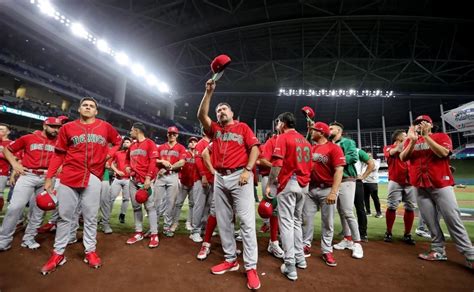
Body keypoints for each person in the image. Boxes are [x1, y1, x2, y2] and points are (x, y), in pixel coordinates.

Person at [41, 97, 122, 275]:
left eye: (91, 106)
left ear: (96, 111)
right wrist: (49, 177)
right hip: (69, 174)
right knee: (64, 216)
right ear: (79, 109)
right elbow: (59, 154)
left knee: (91, 216)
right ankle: (58, 253)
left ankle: (90, 251)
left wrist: (109, 154)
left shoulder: (105, 127)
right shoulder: (67, 128)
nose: (88, 107)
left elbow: (118, 141)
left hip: (93, 175)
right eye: (85, 105)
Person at [197, 79, 261, 290]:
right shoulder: (215, 130)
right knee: (224, 221)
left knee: (246, 222)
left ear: (232, 113)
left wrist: (248, 170)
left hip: (239, 176)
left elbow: (255, 149)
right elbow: (201, 115)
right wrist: (209, 93)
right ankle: (231, 259)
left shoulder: (242, 127)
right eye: (218, 110)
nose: (221, 111)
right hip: (220, 177)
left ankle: (250, 267)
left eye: (224, 109)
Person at [400, 115, 474, 269]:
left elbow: (443, 153)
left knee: (452, 218)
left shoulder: (441, 136)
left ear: (431, 125)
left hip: (441, 183)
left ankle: (470, 255)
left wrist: (426, 136)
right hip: (419, 186)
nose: (420, 125)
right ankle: (438, 250)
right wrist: (413, 141)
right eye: (417, 123)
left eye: (423, 122)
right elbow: (403, 157)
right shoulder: (410, 140)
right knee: (430, 221)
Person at [0, 117, 62, 251]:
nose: (55, 129)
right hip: (28, 175)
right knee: (15, 207)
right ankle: (4, 240)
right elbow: (7, 150)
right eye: (52, 126)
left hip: (48, 177)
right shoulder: (29, 137)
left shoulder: (59, 142)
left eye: (58, 127)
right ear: (44, 126)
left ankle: (29, 238)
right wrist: (15, 164)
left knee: (39, 211)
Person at [265, 112, 311, 281]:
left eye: (278, 122)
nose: (277, 125)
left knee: (286, 223)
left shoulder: (282, 138)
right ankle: (300, 258)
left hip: (289, 182)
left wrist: (270, 183)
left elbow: (277, 163)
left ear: (283, 123)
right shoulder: (305, 140)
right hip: (304, 184)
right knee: (297, 221)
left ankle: (290, 265)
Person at [302, 122, 345, 267]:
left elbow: (339, 170)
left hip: (327, 189)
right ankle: (305, 245)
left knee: (327, 222)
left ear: (320, 132)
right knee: (306, 219)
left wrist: (333, 192)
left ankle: (326, 250)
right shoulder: (311, 147)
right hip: (310, 189)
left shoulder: (334, 148)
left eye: (313, 130)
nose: (311, 132)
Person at [329, 122, 364, 259]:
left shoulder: (348, 142)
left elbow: (353, 157)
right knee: (342, 212)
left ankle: (357, 243)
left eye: (331, 128)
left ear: (339, 130)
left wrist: (335, 161)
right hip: (335, 180)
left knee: (348, 212)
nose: (329, 129)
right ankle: (348, 239)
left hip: (347, 179)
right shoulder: (329, 144)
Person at [125, 122, 159, 248]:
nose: (130, 132)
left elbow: (153, 162)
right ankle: (138, 232)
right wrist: (128, 166)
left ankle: (154, 234)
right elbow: (127, 159)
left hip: (145, 180)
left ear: (137, 131)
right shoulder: (132, 146)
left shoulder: (150, 143)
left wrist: (148, 178)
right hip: (133, 181)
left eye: (132, 130)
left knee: (150, 207)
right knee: (136, 207)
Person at [383, 129, 416, 244]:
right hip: (395, 181)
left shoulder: (410, 147)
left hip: (411, 182)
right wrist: (409, 139)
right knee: (392, 207)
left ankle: (407, 234)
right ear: (398, 138)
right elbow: (394, 151)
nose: (408, 136)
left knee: (410, 208)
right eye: (405, 135)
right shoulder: (388, 147)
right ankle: (388, 232)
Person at [257, 125, 284, 259]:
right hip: (270, 179)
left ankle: (281, 239)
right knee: (272, 211)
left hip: (287, 180)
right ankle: (273, 242)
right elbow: (262, 160)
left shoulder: (291, 139)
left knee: (286, 212)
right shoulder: (271, 141)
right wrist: (278, 167)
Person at [154, 126, 186, 237]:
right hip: (161, 177)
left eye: (174, 134)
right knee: (156, 202)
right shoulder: (161, 147)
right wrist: (162, 161)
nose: (171, 135)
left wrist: (169, 167)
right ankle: (154, 227)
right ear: (167, 134)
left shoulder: (181, 148)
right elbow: (154, 160)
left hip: (173, 176)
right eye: (170, 133)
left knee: (170, 203)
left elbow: (182, 162)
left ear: (177, 135)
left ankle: (167, 227)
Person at [172, 136, 199, 240]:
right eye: (191, 142)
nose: (192, 143)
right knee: (178, 203)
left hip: (194, 183)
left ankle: (189, 222)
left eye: (194, 142)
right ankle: (175, 223)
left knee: (192, 204)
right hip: (183, 182)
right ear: (188, 144)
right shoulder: (184, 154)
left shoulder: (198, 154)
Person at [353, 148, 375, 241]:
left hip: (356, 181)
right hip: (343, 182)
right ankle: (347, 232)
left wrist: (363, 176)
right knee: (345, 209)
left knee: (360, 208)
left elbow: (371, 163)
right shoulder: (338, 148)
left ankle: (362, 233)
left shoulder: (357, 151)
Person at [109, 137, 132, 224]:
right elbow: (112, 164)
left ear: (131, 144)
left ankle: (122, 215)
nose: (126, 143)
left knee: (126, 199)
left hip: (128, 180)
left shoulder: (132, 155)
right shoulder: (117, 153)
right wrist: (117, 171)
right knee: (111, 198)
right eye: (124, 142)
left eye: (128, 142)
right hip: (117, 179)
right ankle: (106, 216)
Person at [363, 153, 382, 218]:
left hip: (372, 182)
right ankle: (368, 211)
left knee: (375, 197)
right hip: (364, 181)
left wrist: (367, 163)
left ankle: (379, 212)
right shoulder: (363, 162)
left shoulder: (375, 162)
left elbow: (373, 168)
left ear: (372, 156)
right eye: (367, 156)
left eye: (369, 156)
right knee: (365, 198)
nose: (368, 157)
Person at [0, 123, 12, 211]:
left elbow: (14, 159)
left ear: (8, 132)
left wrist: (2, 154)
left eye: (1, 129)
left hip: (1, 172)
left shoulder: (11, 143)